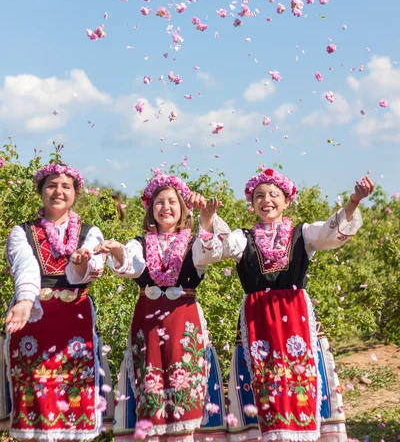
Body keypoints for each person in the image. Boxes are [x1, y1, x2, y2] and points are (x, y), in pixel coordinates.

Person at [194, 168, 374, 442]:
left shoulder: (304, 234)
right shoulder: (245, 239)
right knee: (262, 385)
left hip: (296, 321)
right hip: (258, 324)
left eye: (273, 194)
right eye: (259, 196)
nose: (266, 200)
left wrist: (353, 202)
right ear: (252, 204)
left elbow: (329, 232)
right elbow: (223, 246)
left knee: (301, 380)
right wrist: (208, 219)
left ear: (287, 200)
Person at [94, 172, 228, 441]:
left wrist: (207, 218)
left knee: (186, 387)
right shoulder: (139, 243)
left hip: (184, 322)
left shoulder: (195, 241)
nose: (165, 207)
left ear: (183, 208)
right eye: (159, 202)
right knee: (149, 386)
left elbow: (217, 248)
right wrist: (117, 249)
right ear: (150, 209)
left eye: (172, 202)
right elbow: (129, 265)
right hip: (149, 324)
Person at [3, 163, 113, 441]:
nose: (58, 191)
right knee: (34, 397)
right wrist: (26, 300)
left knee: (73, 395)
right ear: (40, 191)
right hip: (34, 319)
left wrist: (82, 263)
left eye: (66, 186)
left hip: (74, 322)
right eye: (52, 185)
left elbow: (90, 268)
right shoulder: (22, 231)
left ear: (76, 193)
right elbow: (25, 265)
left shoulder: (90, 232)